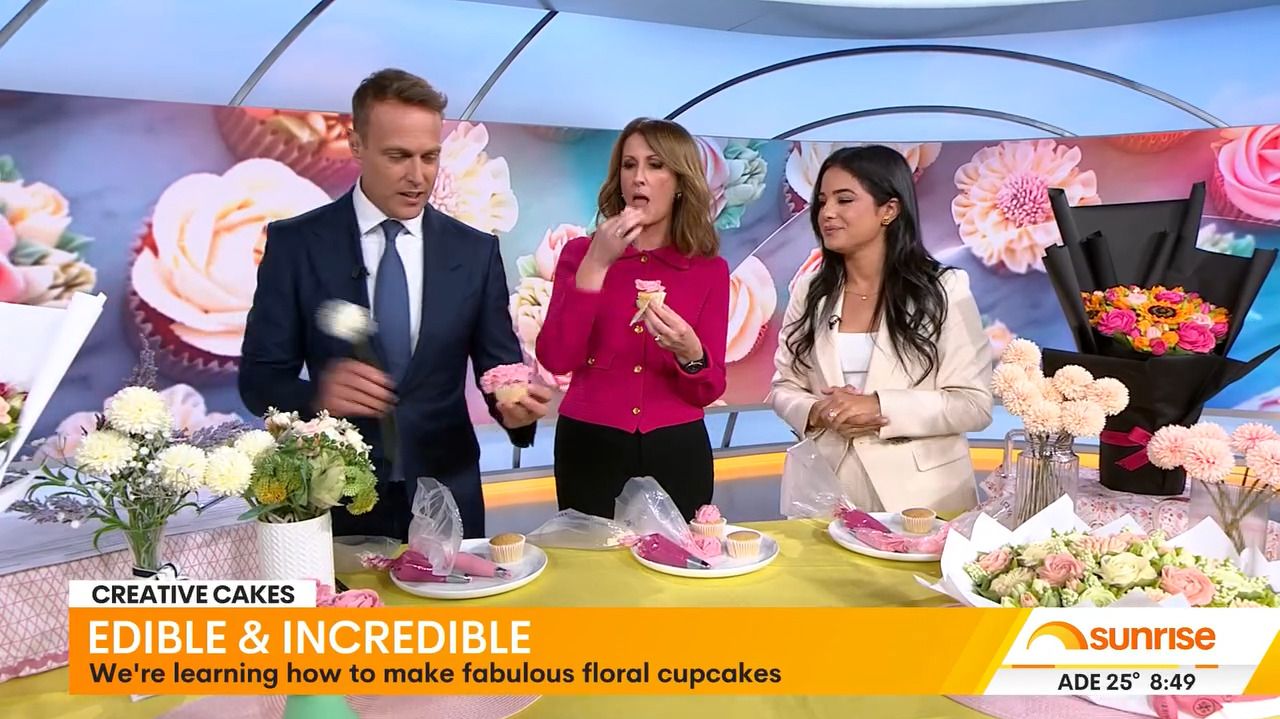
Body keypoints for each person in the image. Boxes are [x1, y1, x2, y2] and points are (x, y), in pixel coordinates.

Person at [239, 68, 550, 540]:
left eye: (430, 156)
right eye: (398, 156)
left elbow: (498, 370)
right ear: (356, 145)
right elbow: (259, 379)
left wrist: (514, 413)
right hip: (334, 498)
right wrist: (315, 396)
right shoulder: (296, 244)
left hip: (449, 496)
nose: (418, 176)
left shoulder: (475, 251)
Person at [768, 145, 992, 516]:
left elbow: (973, 404)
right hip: (824, 494)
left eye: (844, 200)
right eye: (822, 201)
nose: (827, 213)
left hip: (923, 500)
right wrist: (819, 412)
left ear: (889, 210)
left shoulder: (944, 289)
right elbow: (783, 387)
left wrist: (878, 406)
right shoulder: (810, 290)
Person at [535, 118, 730, 521]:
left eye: (655, 165)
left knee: (681, 558)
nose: (638, 177)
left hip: (677, 446)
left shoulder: (708, 270)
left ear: (680, 182)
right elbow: (556, 357)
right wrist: (596, 265)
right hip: (590, 443)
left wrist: (691, 353)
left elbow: (709, 389)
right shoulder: (580, 254)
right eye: (629, 165)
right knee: (591, 558)